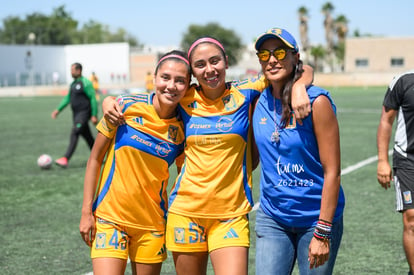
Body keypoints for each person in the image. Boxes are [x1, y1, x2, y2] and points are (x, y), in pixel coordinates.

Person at [102, 37, 313, 275]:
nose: (209, 69)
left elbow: (300, 69)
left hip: (230, 215)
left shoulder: (246, 91)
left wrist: (298, 87)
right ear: (192, 72)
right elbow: (150, 103)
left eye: (215, 61)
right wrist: (109, 101)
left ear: (226, 62)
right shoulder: (183, 97)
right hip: (186, 212)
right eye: (200, 64)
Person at [79, 51, 191, 275]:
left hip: (152, 226)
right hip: (110, 218)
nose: (171, 85)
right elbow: (95, 158)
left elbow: (183, 180)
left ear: (188, 86)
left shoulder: (184, 129)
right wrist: (86, 211)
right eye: (165, 77)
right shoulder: (125, 107)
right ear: (155, 78)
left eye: (180, 81)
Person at [252, 27, 345, 275]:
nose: (272, 60)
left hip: (315, 219)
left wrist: (323, 231)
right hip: (273, 218)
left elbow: (333, 172)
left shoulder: (318, 102)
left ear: (295, 56)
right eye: (264, 55)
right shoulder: (256, 98)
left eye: (280, 52)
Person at [377, 70, 414, 275]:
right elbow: (386, 120)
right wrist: (382, 160)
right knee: (411, 218)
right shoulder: (403, 81)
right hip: (408, 159)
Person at [51, 62, 98, 168]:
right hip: (76, 115)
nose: (71, 72)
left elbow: (93, 98)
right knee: (88, 138)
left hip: (84, 114)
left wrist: (94, 114)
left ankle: (65, 158)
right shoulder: (73, 84)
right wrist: (58, 110)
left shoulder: (85, 83)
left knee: (75, 132)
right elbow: (68, 98)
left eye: (72, 70)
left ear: (79, 70)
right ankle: (100, 156)